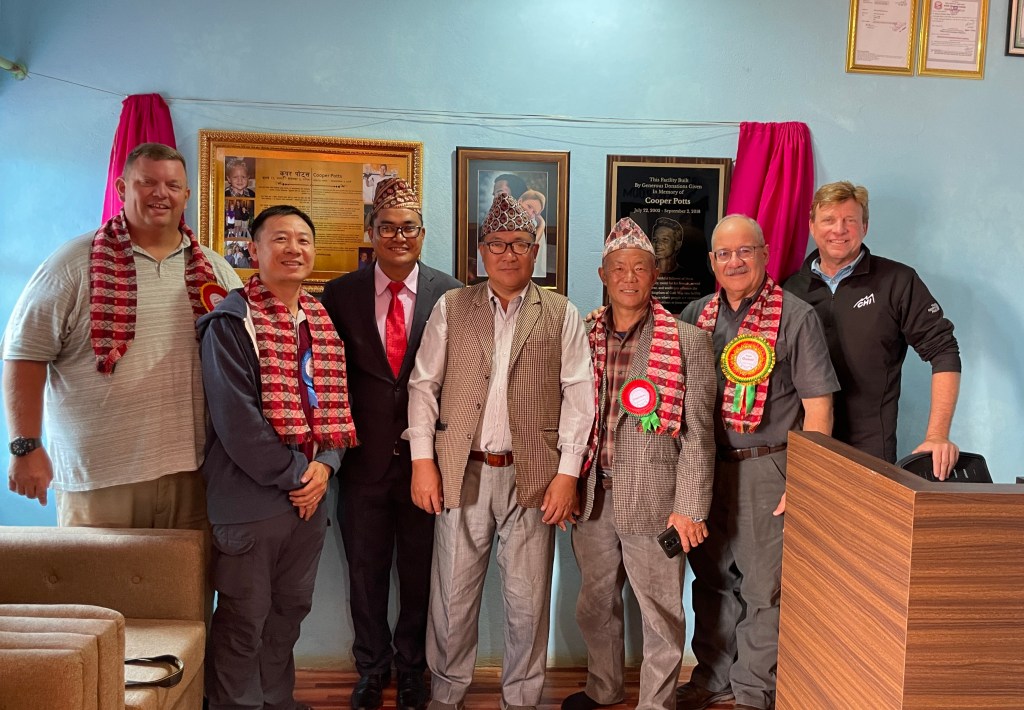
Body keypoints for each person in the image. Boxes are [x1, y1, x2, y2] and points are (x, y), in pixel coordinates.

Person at [405, 192, 595, 710]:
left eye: (519, 243)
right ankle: (446, 695)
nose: (508, 253)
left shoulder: (560, 312)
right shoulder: (452, 306)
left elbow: (580, 395)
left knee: (527, 602)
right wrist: (422, 461)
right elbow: (424, 386)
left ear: (535, 250)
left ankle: (522, 700)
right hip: (459, 472)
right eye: (497, 243)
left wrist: (568, 474)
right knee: (452, 597)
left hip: (533, 478)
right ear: (481, 252)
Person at [3, 142, 241, 527]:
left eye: (172, 185)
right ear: (122, 188)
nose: (160, 193)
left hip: (192, 473)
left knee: (184, 570)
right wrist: (24, 446)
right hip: (99, 476)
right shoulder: (71, 264)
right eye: (147, 182)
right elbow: (24, 354)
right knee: (95, 571)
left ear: (186, 194)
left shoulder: (215, 270)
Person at [677, 215, 839, 710]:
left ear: (764, 254)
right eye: (724, 254)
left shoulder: (796, 316)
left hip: (768, 467)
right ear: (712, 262)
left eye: (745, 251)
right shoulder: (695, 314)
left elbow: (819, 407)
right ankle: (712, 678)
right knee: (712, 580)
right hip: (707, 467)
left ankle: (753, 690)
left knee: (764, 587)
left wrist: (806, 480)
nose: (735, 262)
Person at [199, 204, 357, 710]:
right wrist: (299, 476)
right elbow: (237, 424)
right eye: (280, 239)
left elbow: (336, 407)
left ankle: (276, 700)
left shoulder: (320, 322)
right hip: (252, 500)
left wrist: (325, 466)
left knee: (289, 612)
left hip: (308, 499)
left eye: (303, 240)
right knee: (244, 618)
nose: (294, 249)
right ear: (253, 250)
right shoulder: (231, 322)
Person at [563, 218, 716, 710]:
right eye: (619, 268)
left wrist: (689, 507)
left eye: (640, 268)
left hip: (656, 501)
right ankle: (603, 688)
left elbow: (699, 436)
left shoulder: (688, 341)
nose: (629, 278)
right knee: (594, 605)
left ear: (655, 274)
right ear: (603, 275)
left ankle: (655, 704)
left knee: (660, 614)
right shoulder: (580, 335)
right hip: (592, 496)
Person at [321, 178, 461, 710]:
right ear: (371, 232)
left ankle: (411, 670)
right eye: (387, 227)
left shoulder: (451, 293)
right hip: (362, 460)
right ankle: (371, 667)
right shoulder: (340, 295)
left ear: (422, 234)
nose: (398, 236)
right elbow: (329, 376)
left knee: (421, 574)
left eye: (408, 227)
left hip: (430, 464)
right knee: (364, 572)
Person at [784, 181, 961, 478]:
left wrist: (937, 435)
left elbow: (944, 351)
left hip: (870, 455)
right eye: (828, 220)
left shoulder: (897, 281)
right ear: (812, 226)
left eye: (850, 220)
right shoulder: (790, 289)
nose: (839, 229)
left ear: (864, 227)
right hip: (803, 451)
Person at [518, 189, 547, 279]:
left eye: (534, 212)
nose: (530, 212)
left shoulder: (532, 224)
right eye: (529, 206)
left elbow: (530, 245)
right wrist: (542, 224)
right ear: (520, 201)